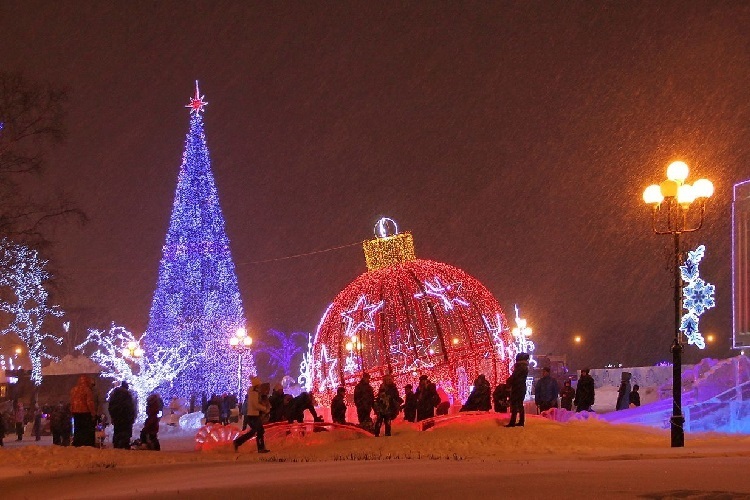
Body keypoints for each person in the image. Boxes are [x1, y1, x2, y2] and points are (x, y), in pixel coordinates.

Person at [233, 377, 271, 453]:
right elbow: (255, 405)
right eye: (259, 385)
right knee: (260, 431)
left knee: (254, 431)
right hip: (253, 416)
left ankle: (237, 442)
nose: (260, 386)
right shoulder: (254, 393)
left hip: (253, 415)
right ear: (256, 385)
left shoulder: (253, 393)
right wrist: (264, 409)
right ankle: (260, 448)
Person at [70, 375, 97, 446]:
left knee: (77, 429)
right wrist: (93, 413)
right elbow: (89, 402)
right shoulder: (87, 390)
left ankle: (77, 443)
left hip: (76, 412)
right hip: (85, 412)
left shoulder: (73, 390)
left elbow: (72, 402)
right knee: (86, 430)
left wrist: (72, 410)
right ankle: (86, 444)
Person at [108, 381, 136, 449]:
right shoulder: (128, 395)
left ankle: (117, 445)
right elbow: (131, 407)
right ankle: (124, 445)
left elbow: (110, 406)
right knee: (125, 432)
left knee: (117, 431)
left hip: (117, 417)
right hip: (126, 417)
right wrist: (132, 417)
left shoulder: (115, 395)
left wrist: (112, 416)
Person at [506, 353, 530, 427]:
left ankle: (513, 421)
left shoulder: (520, 367)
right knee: (520, 404)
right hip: (522, 387)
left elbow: (514, 377)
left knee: (514, 404)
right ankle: (521, 421)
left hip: (517, 387)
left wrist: (508, 382)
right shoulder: (525, 367)